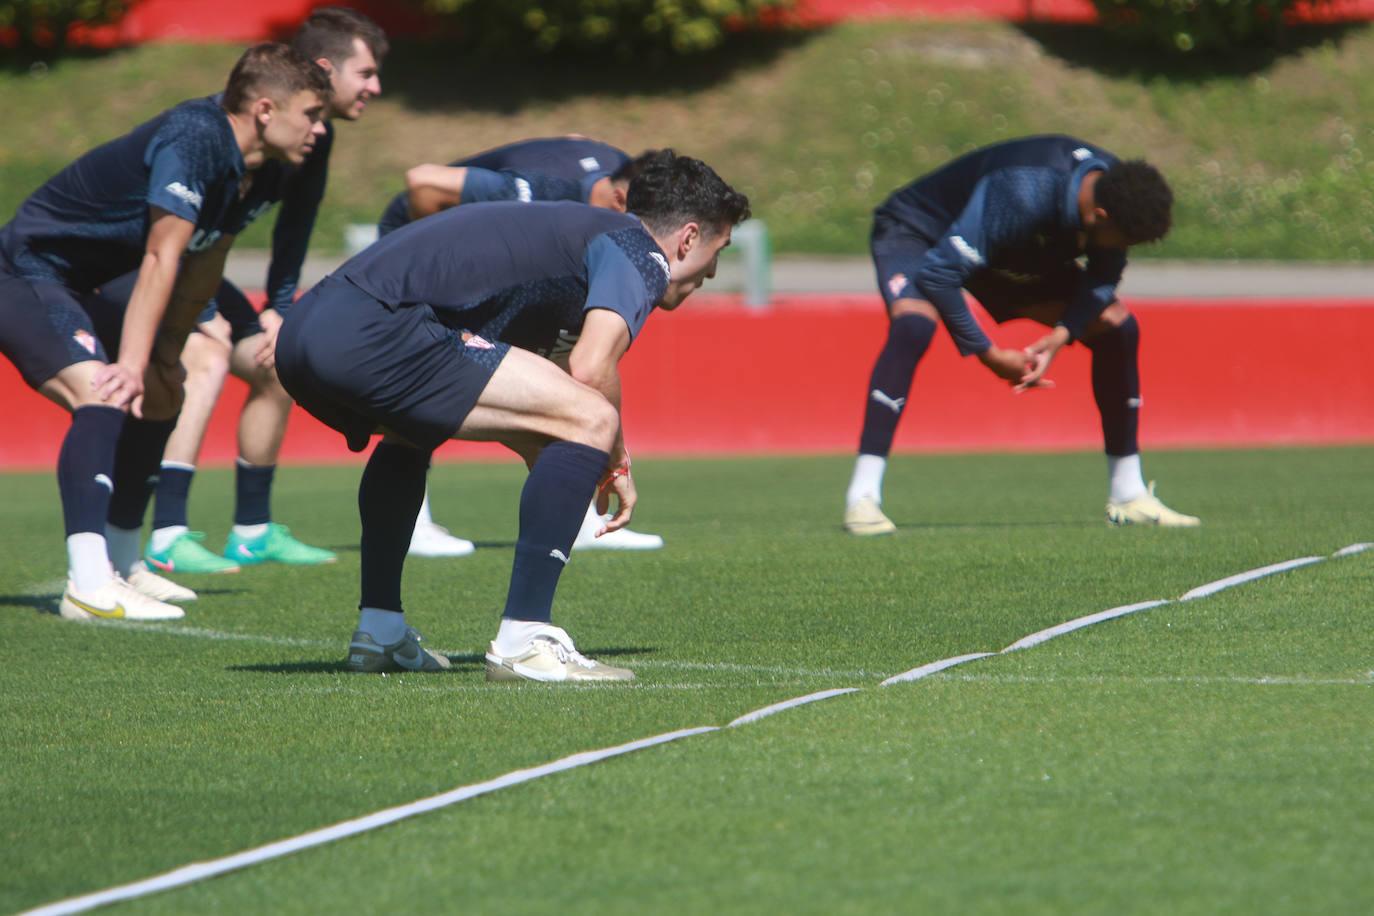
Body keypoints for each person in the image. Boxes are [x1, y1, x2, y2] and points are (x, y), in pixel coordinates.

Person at [275, 152, 749, 681]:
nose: (711, 270)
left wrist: (560, 457)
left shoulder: (563, 245)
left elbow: (525, 398)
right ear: (687, 239)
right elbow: (590, 369)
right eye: (717, 250)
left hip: (305, 334)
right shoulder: (640, 250)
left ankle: (379, 631)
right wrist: (615, 458)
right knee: (592, 417)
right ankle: (525, 639)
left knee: (413, 433)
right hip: (371, 330)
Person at [0, 43, 331, 621]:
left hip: (76, 285)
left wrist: (166, 357)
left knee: (163, 391)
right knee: (105, 390)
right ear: (264, 109)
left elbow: (205, 263)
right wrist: (128, 362)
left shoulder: (259, 168)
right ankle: (86, 582)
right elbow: (162, 257)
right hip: (23, 270)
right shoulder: (197, 137)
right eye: (311, 114)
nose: (319, 129)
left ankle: (126, 564)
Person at [129, 7, 388, 577]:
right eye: (365, 73)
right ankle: (167, 532)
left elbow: (293, 228)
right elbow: (167, 239)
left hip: (201, 267)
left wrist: (278, 309)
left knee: (275, 367)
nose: (375, 86)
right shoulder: (225, 131)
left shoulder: (313, 140)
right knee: (207, 352)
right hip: (146, 265)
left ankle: (252, 531)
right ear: (323, 69)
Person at [843, 134, 1199, 535]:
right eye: (1125, 242)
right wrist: (988, 353)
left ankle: (1128, 494)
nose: (1124, 250)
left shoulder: (1119, 190)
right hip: (920, 232)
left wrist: (1064, 333)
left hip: (1003, 248)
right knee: (914, 325)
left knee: (1117, 327)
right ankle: (862, 498)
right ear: (1100, 215)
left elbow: (1104, 272)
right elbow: (940, 272)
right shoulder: (1025, 191)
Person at [378, 138, 670, 555]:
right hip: (414, 256)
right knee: (422, 381)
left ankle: (581, 520)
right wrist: (437, 281)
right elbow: (422, 181)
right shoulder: (534, 192)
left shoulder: (612, 175)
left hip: (494, 261)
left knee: (560, 358)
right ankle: (411, 524)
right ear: (619, 200)